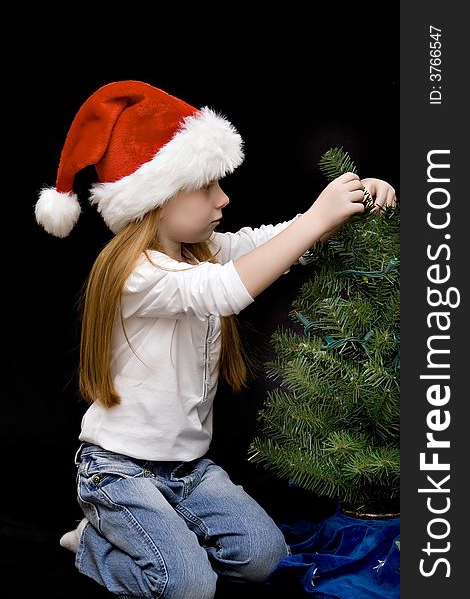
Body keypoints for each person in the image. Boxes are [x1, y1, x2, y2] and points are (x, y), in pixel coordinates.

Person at [35, 80, 396, 599]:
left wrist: (351, 206)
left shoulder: (199, 250)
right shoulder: (133, 272)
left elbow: (265, 244)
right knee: (189, 586)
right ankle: (97, 539)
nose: (223, 198)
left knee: (262, 559)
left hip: (188, 469)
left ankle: (161, 530)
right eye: (207, 187)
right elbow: (225, 291)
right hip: (118, 470)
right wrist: (318, 217)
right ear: (159, 197)